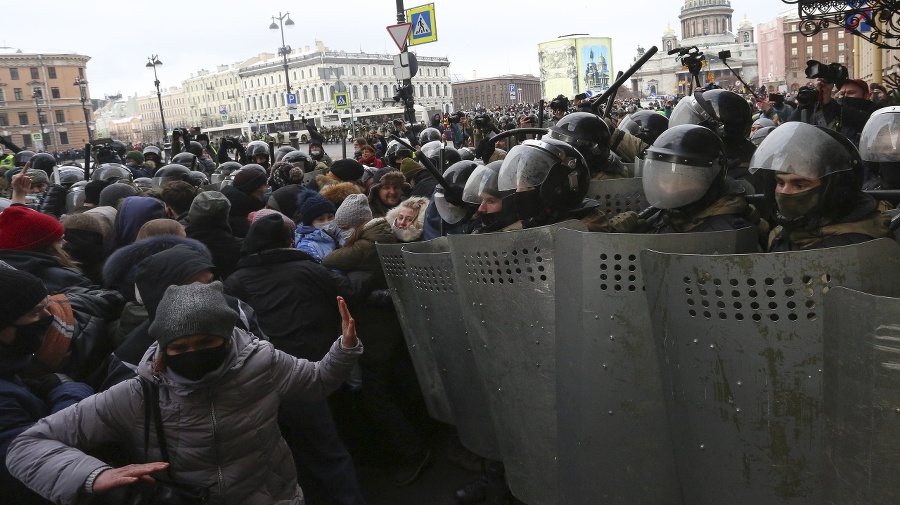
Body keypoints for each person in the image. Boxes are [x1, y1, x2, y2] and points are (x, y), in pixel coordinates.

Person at [7, 281, 362, 505]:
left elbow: (315, 382)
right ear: (163, 348)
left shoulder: (263, 363)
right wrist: (92, 475)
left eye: (206, 342)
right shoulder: (138, 392)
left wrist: (344, 350)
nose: (194, 353)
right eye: (180, 346)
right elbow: (28, 446)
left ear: (226, 340)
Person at [0, 268, 94, 505]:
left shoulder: (11, 368)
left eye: (46, 305)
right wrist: (69, 392)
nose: (49, 316)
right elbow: (38, 460)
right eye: (34, 312)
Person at [749, 121, 893, 251]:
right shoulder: (783, 235)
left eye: (799, 185)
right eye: (780, 183)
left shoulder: (858, 248)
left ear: (834, 191)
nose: (785, 192)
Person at [608, 124, 767, 241]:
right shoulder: (666, 215)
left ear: (713, 177)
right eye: (664, 179)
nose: (670, 188)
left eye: (684, 180)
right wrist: (631, 236)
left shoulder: (729, 235)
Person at [497, 138, 610, 231]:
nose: (518, 193)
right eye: (518, 186)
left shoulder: (582, 234)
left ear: (558, 189)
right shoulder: (537, 221)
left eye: (527, 186)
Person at [462, 160, 520, 234]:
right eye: (481, 199)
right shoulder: (478, 226)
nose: (481, 209)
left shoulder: (518, 238)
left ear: (510, 204)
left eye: (491, 201)